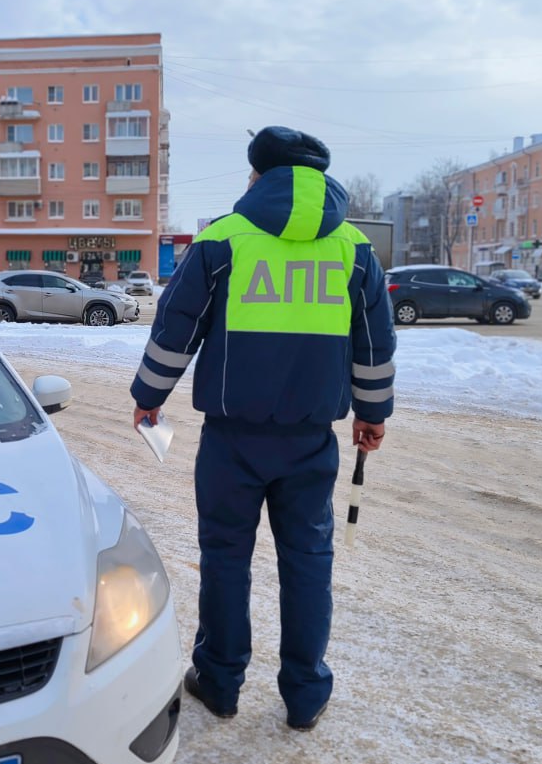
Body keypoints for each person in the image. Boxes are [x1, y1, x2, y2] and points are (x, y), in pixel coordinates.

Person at [130, 126, 395, 732]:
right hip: (312, 441)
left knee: (226, 557)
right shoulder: (354, 249)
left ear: (257, 177)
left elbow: (176, 330)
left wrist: (149, 398)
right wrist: (372, 414)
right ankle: (305, 693)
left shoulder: (222, 240)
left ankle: (220, 682)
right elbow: (373, 344)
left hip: (232, 440)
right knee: (309, 561)